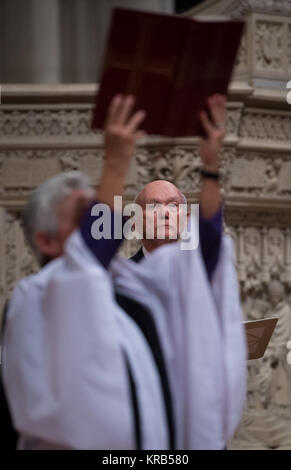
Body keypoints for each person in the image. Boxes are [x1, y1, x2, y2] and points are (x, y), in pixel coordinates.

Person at [2, 94, 247, 450]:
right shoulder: (35, 298)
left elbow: (205, 258)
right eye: (85, 219)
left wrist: (210, 168)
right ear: (46, 240)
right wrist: (116, 165)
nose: (98, 225)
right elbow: (92, 253)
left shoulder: (131, 288)